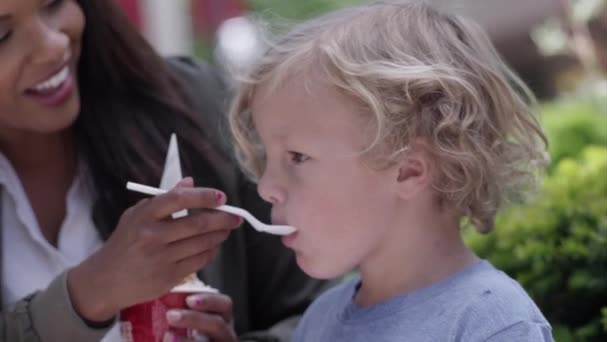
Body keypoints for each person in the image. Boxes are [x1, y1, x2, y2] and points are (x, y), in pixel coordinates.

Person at [0, 0, 331, 341]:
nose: (52, 46)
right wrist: (88, 294)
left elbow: (325, 312)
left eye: (53, 3)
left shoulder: (193, 104)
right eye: (3, 34)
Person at [228, 1, 554, 341]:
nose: (265, 187)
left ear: (408, 169)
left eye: (296, 157)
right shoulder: (319, 320)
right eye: (268, 159)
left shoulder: (491, 323)